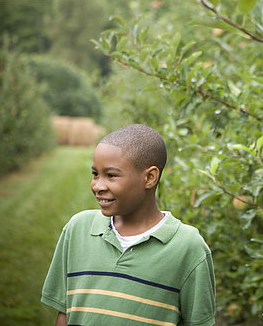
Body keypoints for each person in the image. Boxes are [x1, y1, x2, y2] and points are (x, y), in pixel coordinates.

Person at [41, 124, 216, 326]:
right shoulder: (77, 230)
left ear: (150, 177)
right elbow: (64, 313)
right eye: (95, 174)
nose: (98, 186)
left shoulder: (188, 247)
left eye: (111, 175)